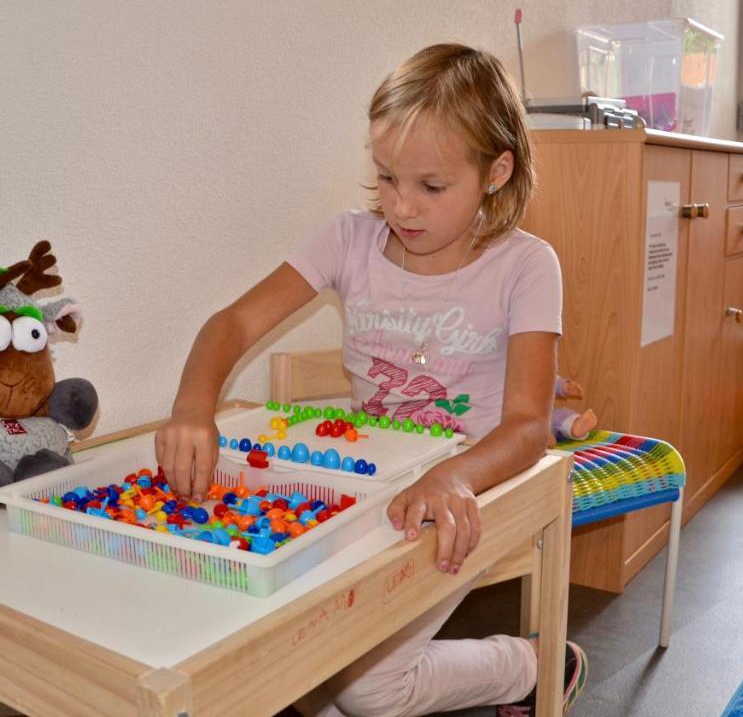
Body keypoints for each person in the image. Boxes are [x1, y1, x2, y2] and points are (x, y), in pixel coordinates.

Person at [156, 43, 586, 716]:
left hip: (468, 490)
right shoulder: (348, 241)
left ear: (496, 171)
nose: (402, 207)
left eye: (431, 186)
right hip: (366, 489)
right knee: (283, 652)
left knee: (367, 690)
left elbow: (530, 426)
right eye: (386, 178)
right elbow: (232, 325)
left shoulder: (527, 265)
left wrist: (455, 476)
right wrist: (191, 404)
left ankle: (529, 665)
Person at [552, 376, 598, 442]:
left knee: (561, 415)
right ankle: (542, 437)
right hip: (534, 426)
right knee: (552, 421)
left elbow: (546, 379)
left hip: (541, 415)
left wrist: (564, 386)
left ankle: (574, 425)